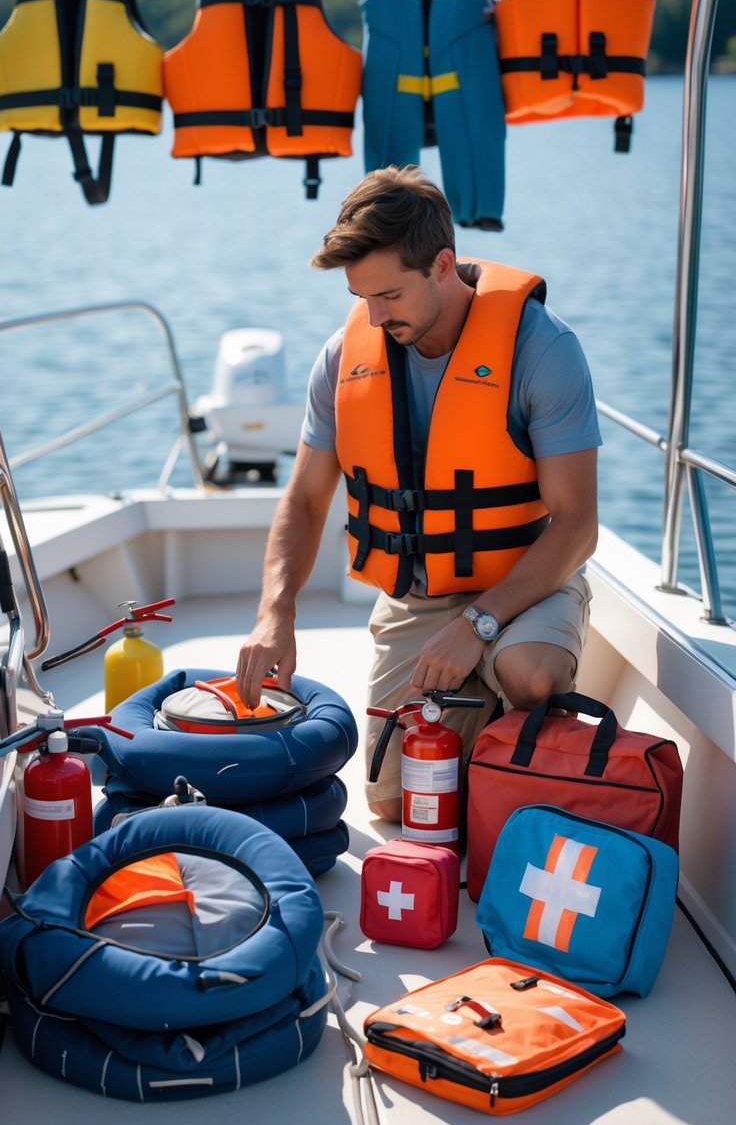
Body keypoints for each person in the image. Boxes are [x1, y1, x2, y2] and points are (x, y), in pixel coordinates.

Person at [237, 165, 601, 823]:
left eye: (389, 295)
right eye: (361, 297)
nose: (374, 315)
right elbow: (305, 500)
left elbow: (577, 525)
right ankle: (477, 713)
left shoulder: (543, 349)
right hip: (419, 595)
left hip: (528, 579)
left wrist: (478, 625)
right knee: (390, 804)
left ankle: (503, 714)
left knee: (531, 673)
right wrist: (275, 612)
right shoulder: (342, 357)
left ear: (442, 265)